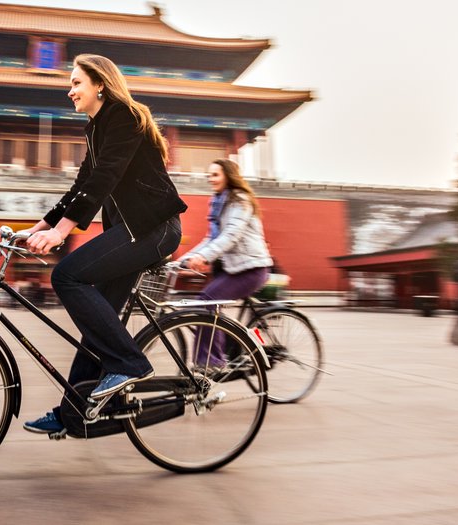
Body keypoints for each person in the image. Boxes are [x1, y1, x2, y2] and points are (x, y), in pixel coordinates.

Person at [19, 54, 188, 434]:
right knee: (98, 325)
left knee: (67, 276)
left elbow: (105, 179)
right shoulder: (96, 128)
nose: (70, 90)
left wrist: (61, 233)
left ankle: (130, 363)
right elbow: (80, 187)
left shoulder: (124, 117)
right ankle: (74, 414)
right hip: (132, 231)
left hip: (153, 228)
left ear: (100, 84)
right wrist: (38, 227)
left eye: (76, 82)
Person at [177, 159, 273, 374]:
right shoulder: (219, 201)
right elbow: (211, 238)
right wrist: (182, 260)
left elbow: (231, 235)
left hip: (251, 268)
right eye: (209, 175)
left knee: (206, 301)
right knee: (207, 305)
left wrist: (204, 258)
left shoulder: (240, 201)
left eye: (215, 175)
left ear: (228, 176)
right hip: (233, 267)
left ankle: (213, 363)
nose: (210, 179)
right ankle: (225, 352)